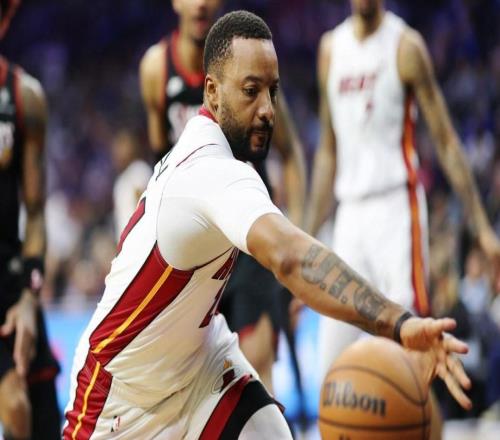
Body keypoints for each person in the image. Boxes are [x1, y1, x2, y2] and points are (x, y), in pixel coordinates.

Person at [63, 11, 472, 439]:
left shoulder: (229, 160)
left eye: (272, 91)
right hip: (122, 395)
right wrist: (399, 324)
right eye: (250, 91)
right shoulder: (210, 169)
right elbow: (292, 259)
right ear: (212, 92)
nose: (266, 110)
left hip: (199, 365)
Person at [305, 0, 500, 390]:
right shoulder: (330, 49)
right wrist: (307, 236)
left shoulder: (405, 46)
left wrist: (481, 227)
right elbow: (327, 150)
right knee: (331, 366)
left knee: (411, 356)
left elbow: (445, 140)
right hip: (348, 216)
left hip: (397, 208)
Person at [139, 0, 306, 392]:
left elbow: (291, 152)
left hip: (247, 230)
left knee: (256, 367)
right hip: (196, 240)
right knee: (193, 383)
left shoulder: (248, 61)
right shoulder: (156, 69)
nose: (200, 3)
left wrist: (293, 232)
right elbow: (158, 165)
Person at [0, 1, 61, 438]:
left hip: (11, 281)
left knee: (42, 424)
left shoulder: (25, 98)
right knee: (14, 403)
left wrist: (29, 295)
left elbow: (36, 215)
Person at [111, 129, 151, 243]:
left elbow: (144, 205)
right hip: (126, 242)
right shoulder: (120, 181)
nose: (118, 151)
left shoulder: (139, 169)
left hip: (140, 237)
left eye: (122, 145)